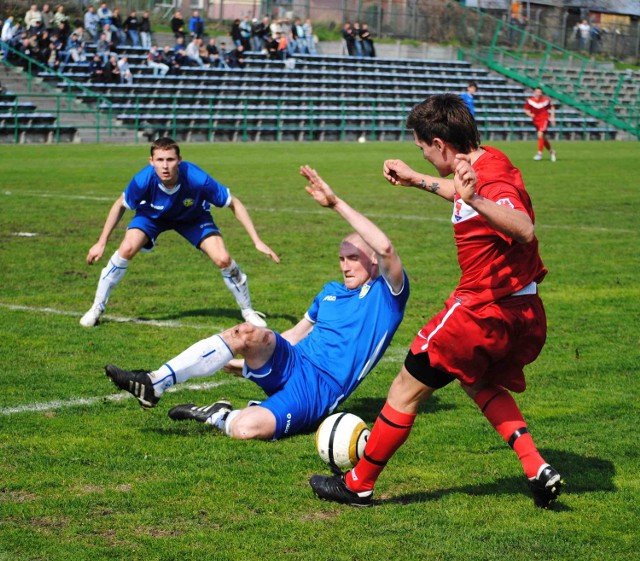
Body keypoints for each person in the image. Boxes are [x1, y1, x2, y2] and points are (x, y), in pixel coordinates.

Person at [309, 94, 563, 510]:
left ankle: (358, 484)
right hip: (524, 311)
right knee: (476, 379)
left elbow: (523, 228)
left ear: (441, 144)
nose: (423, 155)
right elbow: (462, 192)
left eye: (423, 149)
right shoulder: (488, 161)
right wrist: (416, 180)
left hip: (481, 312)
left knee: (405, 388)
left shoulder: (488, 184)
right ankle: (536, 467)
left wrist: (476, 200)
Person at [105, 164, 409, 443]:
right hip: (292, 359)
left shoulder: (388, 296)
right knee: (247, 333)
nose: (345, 266)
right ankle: (155, 382)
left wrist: (335, 204)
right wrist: (241, 363)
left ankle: (217, 414)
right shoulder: (330, 291)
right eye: (341, 258)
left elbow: (385, 247)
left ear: (371, 260)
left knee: (245, 429)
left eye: (353, 258)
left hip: (320, 389)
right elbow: (294, 335)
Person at [80, 138, 279, 329]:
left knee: (223, 259)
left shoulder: (197, 178)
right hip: (152, 216)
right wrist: (101, 242)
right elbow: (120, 205)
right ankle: (96, 307)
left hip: (192, 217)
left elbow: (233, 202)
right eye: (159, 160)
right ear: (151, 161)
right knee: (127, 248)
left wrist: (257, 240)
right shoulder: (142, 180)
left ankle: (248, 311)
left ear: (179, 160)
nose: (165, 166)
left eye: (170, 159)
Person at [524, 86, 556, 162]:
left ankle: (539, 154)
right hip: (536, 120)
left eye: (540, 92)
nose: (538, 93)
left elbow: (552, 107)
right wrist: (530, 114)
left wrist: (552, 116)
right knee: (543, 138)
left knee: (540, 134)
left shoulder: (546, 100)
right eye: (537, 92)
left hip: (544, 119)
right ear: (534, 92)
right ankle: (552, 152)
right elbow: (526, 109)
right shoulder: (530, 100)